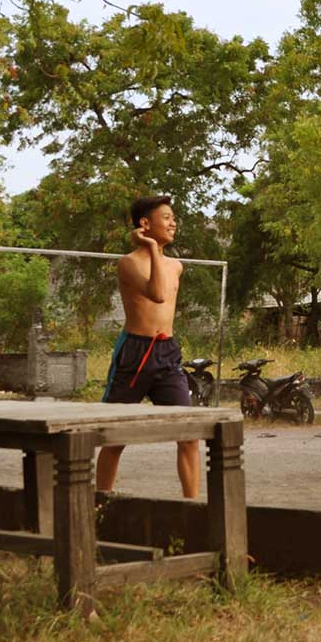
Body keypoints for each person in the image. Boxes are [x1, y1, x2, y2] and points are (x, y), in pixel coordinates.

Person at [96, 196, 200, 498]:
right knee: (115, 437)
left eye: (173, 217)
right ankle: (100, 505)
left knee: (189, 433)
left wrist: (158, 252)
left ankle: (192, 508)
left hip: (167, 354)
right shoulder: (128, 263)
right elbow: (156, 294)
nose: (173, 222)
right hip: (135, 354)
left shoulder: (176, 266)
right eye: (166, 217)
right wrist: (153, 249)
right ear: (145, 224)